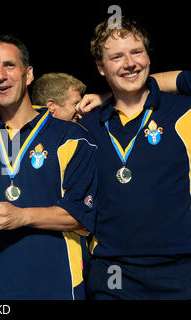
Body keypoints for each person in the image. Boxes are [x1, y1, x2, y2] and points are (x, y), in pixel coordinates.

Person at [0, 34, 98, 299]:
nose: (0, 76)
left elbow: (82, 213)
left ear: (28, 74)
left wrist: (22, 216)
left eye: (9, 65)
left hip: (58, 286)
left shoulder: (72, 137)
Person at [79, 17, 191, 299]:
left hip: (179, 271)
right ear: (101, 67)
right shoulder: (86, 127)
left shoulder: (184, 111)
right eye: (116, 57)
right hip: (111, 275)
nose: (130, 63)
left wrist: (107, 93)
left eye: (137, 52)